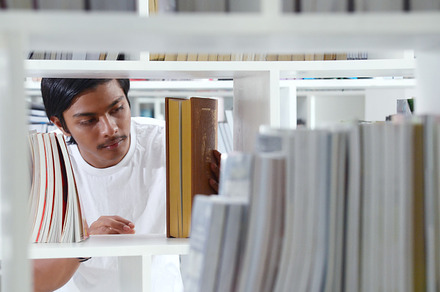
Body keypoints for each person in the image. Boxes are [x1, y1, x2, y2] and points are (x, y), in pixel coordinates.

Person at [33, 78, 220, 292]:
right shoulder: (45, 165)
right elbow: (32, 282)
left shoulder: (173, 143)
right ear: (60, 125)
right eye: (89, 120)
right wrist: (84, 245)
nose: (110, 129)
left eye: (117, 109)